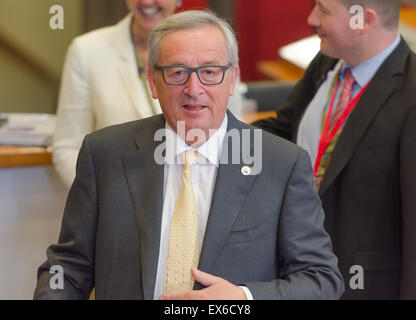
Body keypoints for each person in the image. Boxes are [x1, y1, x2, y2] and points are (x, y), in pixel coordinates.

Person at [34, 10, 344, 300]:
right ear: (153, 81)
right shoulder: (104, 153)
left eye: (210, 72)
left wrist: (244, 297)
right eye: (177, 72)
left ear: (232, 78)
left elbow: (321, 278)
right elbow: (69, 267)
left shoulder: (281, 164)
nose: (194, 89)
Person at [254, 0, 416, 299]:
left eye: (323, 10)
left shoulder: (411, 94)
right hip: (299, 271)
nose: (311, 18)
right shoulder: (327, 62)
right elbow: (282, 130)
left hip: (365, 286)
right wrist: (216, 137)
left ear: (363, 20)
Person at [52, 0, 244, 188]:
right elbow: (67, 148)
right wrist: (110, 196)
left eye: (207, 72)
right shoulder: (87, 51)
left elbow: (232, 134)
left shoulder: (217, 49)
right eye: (177, 72)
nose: (146, 2)